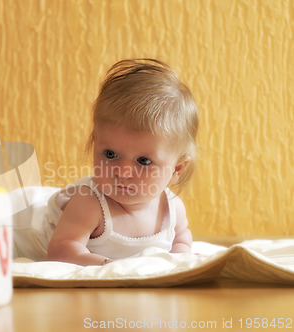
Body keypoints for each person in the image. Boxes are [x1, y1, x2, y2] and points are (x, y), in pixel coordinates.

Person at [12, 59, 198, 266]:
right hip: (14, 221)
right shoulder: (90, 203)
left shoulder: (172, 209)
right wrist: (107, 266)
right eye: (110, 154)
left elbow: (181, 239)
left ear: (177, 169)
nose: (123, 172)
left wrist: (180, 261)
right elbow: (61, 250)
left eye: (143, 161)